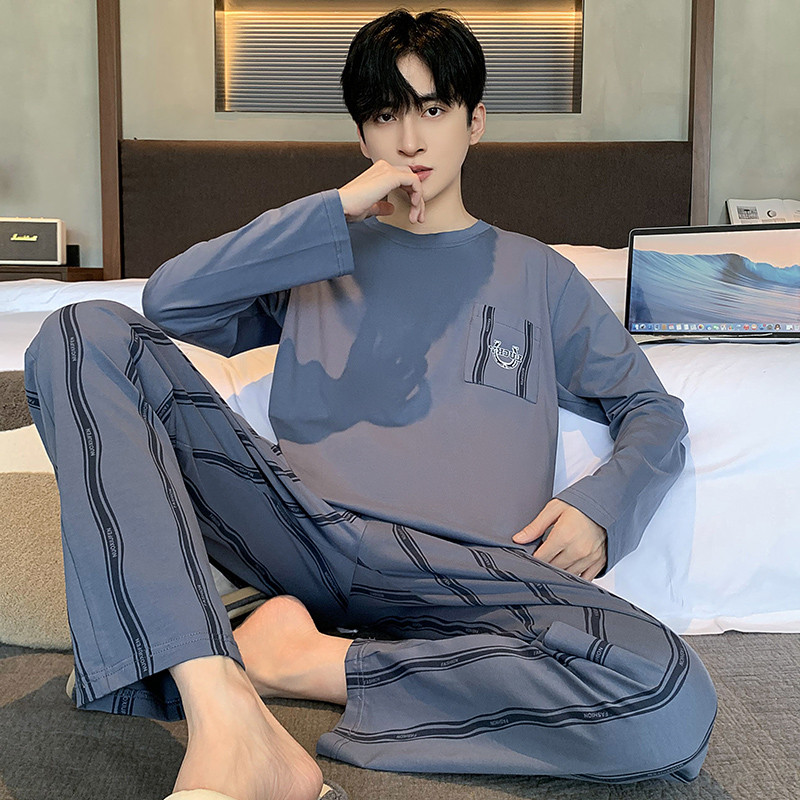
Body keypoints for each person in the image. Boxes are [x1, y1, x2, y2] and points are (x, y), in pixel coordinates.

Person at [23, 8, 717, 800]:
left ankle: (296, 661)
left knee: (669, 695)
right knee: (80, 330)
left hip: (469, 574)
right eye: (386, 116)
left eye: (433, 109)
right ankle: (223, 712)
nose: (410, 140)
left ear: (475, 121)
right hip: (299, 532)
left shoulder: (541, 275)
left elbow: (653, 412)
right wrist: (333, 212)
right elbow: (170, 301)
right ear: (362, 137)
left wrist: (602, 506)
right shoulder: (318, 252)